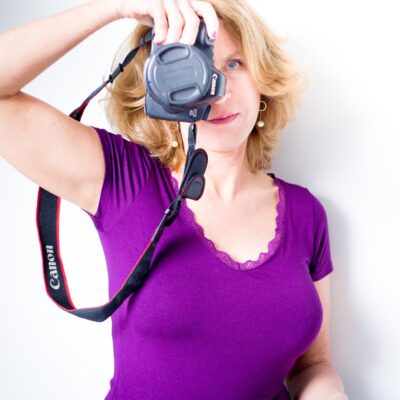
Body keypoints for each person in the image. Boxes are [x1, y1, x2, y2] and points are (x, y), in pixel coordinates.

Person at [0, 0, 349, 399]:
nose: (218, 90)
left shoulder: (306, 213)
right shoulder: (125, 181)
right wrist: (114, 8)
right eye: (194, 65)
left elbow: (313, 365)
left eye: (234, 64)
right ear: (160, 89)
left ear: (262, 76)